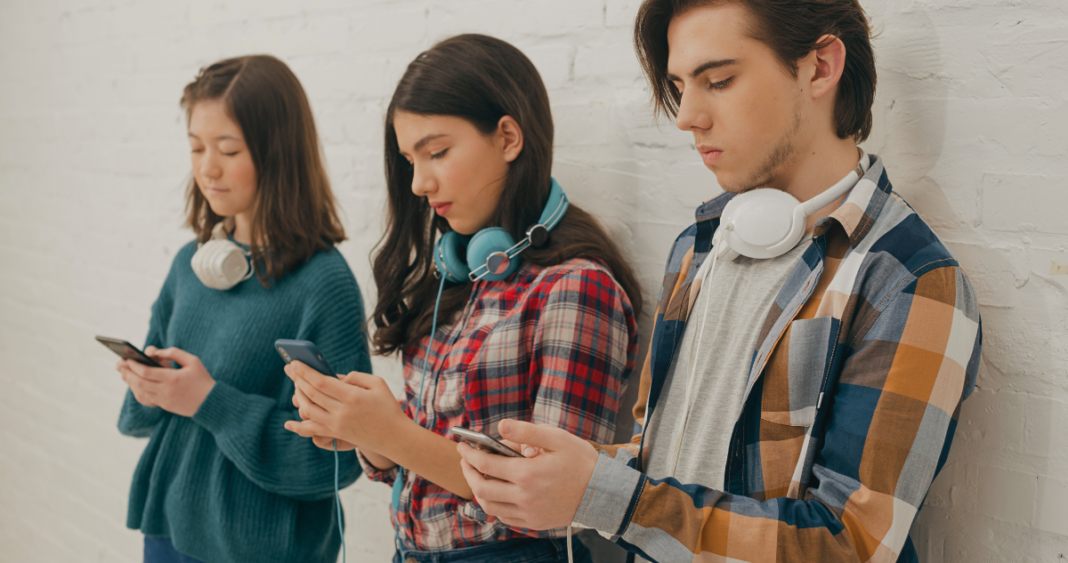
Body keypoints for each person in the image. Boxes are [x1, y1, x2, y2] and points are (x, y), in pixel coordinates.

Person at [456, 2, 982, 562]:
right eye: (680, 85)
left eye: (719, 80)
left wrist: (606, 497)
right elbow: (664, 463)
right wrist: (569, 475)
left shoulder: (909, 282)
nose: (685, 116)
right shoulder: (701, 246)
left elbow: (850, 546)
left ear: (821, 68)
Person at [282, 34, 642, 563]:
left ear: (508, 138)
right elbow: (420, 459)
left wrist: (393, 431)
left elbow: (551, 497)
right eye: (410, 159)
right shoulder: (456, 274)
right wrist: (366, 432)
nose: (418, 183)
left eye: (437, 151)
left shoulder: (577, 287)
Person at [115, 55, 369, 563]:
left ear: (277, 153)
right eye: (196, 147)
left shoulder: (323, 284)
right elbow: (138, 421)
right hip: (168, 530)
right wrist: (150, 386)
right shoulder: (191, 264)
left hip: (259, 550)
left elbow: (334, 464)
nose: (207, 167)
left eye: (228, 150)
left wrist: (209, 400)